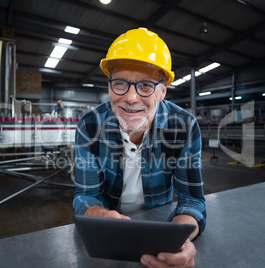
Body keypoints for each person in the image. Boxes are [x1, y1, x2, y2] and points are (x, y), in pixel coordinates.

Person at [73, 28, 206, 267]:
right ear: (109, 85)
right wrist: (102, 216)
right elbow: (86, 195)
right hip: (105, 234)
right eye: (120, 83)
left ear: (163, 91)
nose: (131, 98)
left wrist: (178, 238)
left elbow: (192, 201)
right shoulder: (89, 126)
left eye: (145, 85)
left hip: (159, 222)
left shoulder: (184, 126)